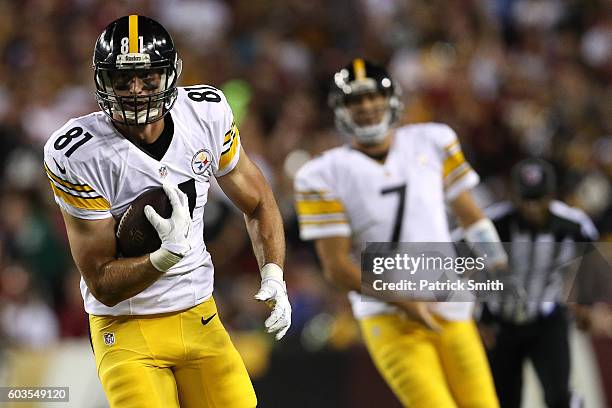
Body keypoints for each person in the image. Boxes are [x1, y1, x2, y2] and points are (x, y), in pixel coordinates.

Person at [43, 15, 291, 408]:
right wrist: (163, 258)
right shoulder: (76, 153)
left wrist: (274, 273)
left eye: (147, 78)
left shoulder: (206, 114)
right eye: (122, 80)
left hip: (199, 316)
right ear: (102, 81)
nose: (136, 91)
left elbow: (258, 200)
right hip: (126, 329)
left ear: (171, 74)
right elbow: (102, 283)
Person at [294, 59, 503, 407]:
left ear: (392, 99)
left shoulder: (432, 140)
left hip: (449, 302)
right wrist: (402, 300)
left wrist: (500, 276)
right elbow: (335, 267)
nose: (366, 106)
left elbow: (473, 218)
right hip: (388, 317)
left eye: (373, 96)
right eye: (355, 100)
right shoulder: (321, 174)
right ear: (340, 109)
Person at [478, 158, 599, 408]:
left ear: (552, 195)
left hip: (547, 319)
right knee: (503, 401)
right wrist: (479, 316)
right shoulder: (492, 224)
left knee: (558, 398)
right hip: (501, 325)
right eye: (527, 199)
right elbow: (460, 263)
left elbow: (591, 261)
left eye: (539, 198)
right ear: (514, 196)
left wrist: (584, 304)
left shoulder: (573, 224)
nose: (532, 207)